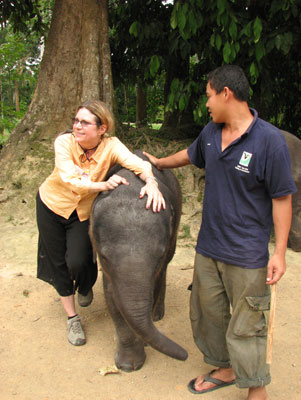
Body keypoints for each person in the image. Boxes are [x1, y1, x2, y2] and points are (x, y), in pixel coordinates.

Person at [144, 65, 297, 400]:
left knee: (248, 324)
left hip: (246, 255)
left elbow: (282, 199)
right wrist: (159, 162)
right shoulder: (212, 132)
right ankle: (225, 368)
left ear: (226, 93)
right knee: (208, 314)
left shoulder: (269, 141)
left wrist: (280, 252)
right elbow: (190, 154)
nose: (207, 104)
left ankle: (257, 388)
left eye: (209, 96)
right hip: (208, 247)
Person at [36, 99, 165, 347]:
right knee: (58, 263)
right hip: (51, 205)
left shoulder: (111, 146)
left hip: (81, 213)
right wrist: (102, 185)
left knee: (79, 261)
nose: (78, 126)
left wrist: (151, 181)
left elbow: (139, 164)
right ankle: (72, 318)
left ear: (102, 128)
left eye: (85, 122)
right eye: (76, 121)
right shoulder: (64, 142)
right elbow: (69, 177)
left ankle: (85, 285)